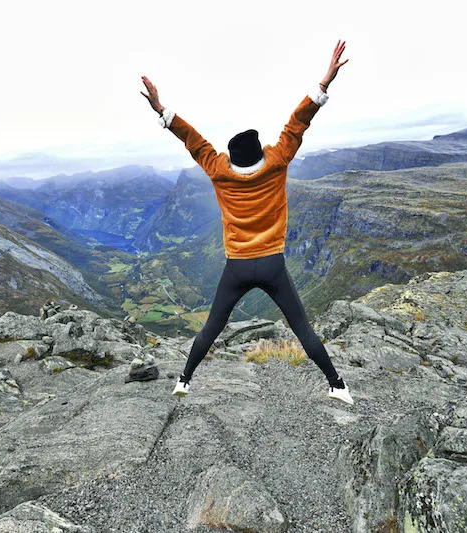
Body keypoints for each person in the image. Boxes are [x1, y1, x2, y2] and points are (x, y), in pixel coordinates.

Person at [140, 40, 353, 405]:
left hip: (237, 266)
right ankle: (337, 386)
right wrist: (325, 83)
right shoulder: (277, 163)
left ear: (233, 157)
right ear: (259, 152)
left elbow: (195, 142)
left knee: (212, 325)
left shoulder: (219, 171)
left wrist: (161, 109)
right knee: (301, 328)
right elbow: (297, 124)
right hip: (272, 264)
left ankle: (183, 380)